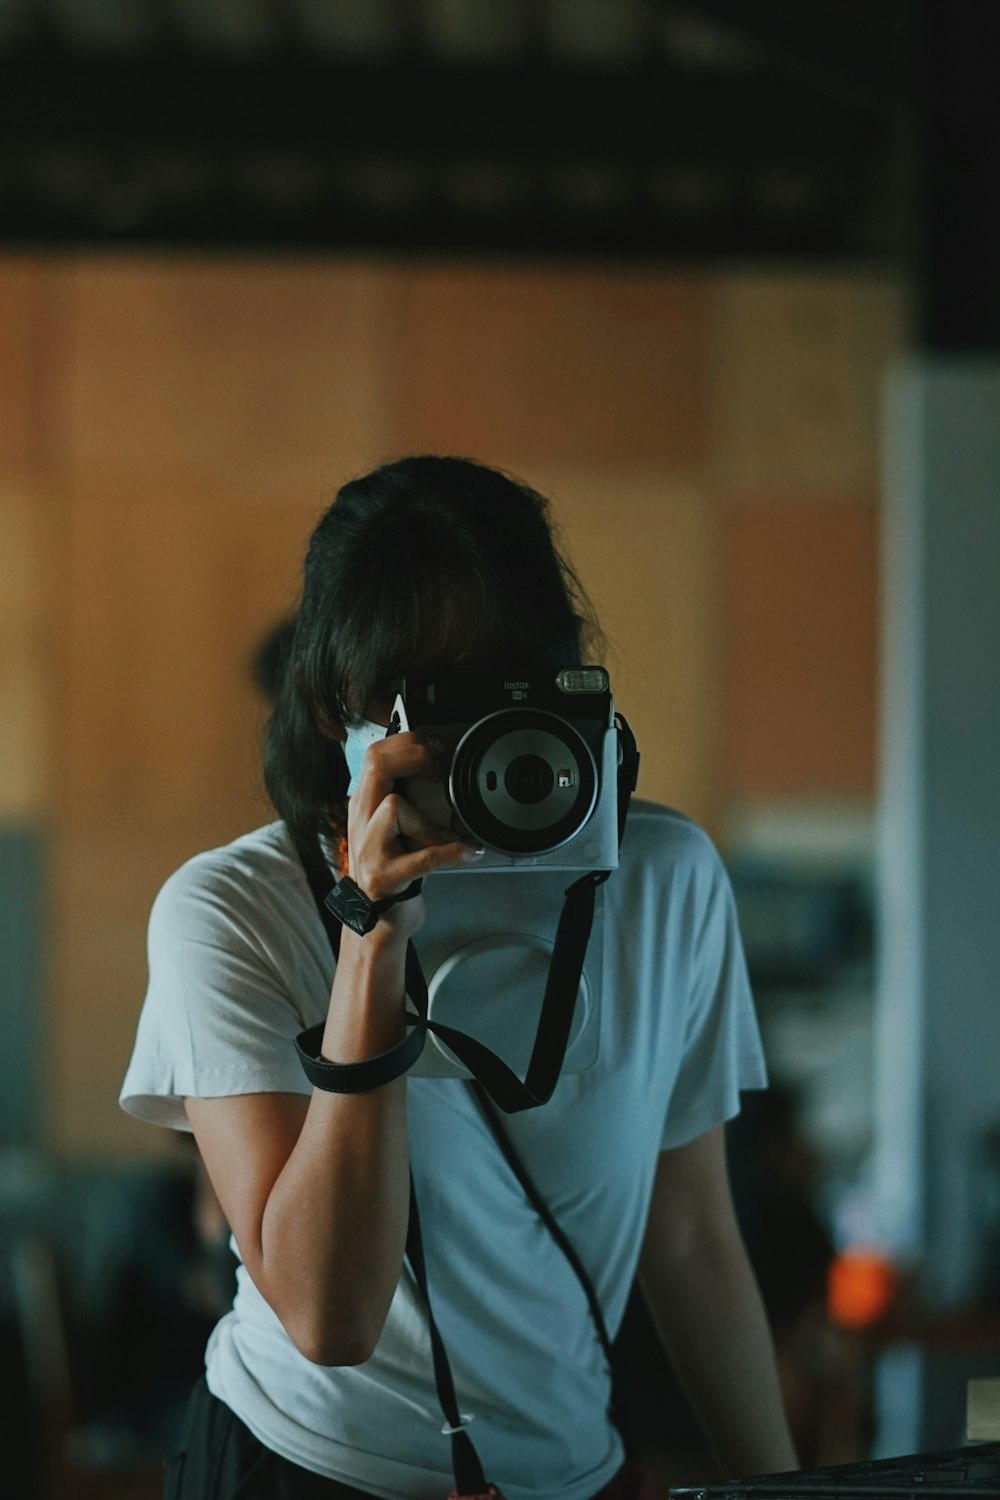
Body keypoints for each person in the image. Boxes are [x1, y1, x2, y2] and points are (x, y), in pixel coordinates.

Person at [120, 455, 798, 1500]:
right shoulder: (232, 909)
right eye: (432, 701)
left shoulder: (664, 882)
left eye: (505, 682)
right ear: (333, 714)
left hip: (568, 1467)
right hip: (301, 1465)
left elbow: (693, 1236)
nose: (475, 738)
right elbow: (330, 1319)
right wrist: (371, 940)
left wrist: (782, 1488)